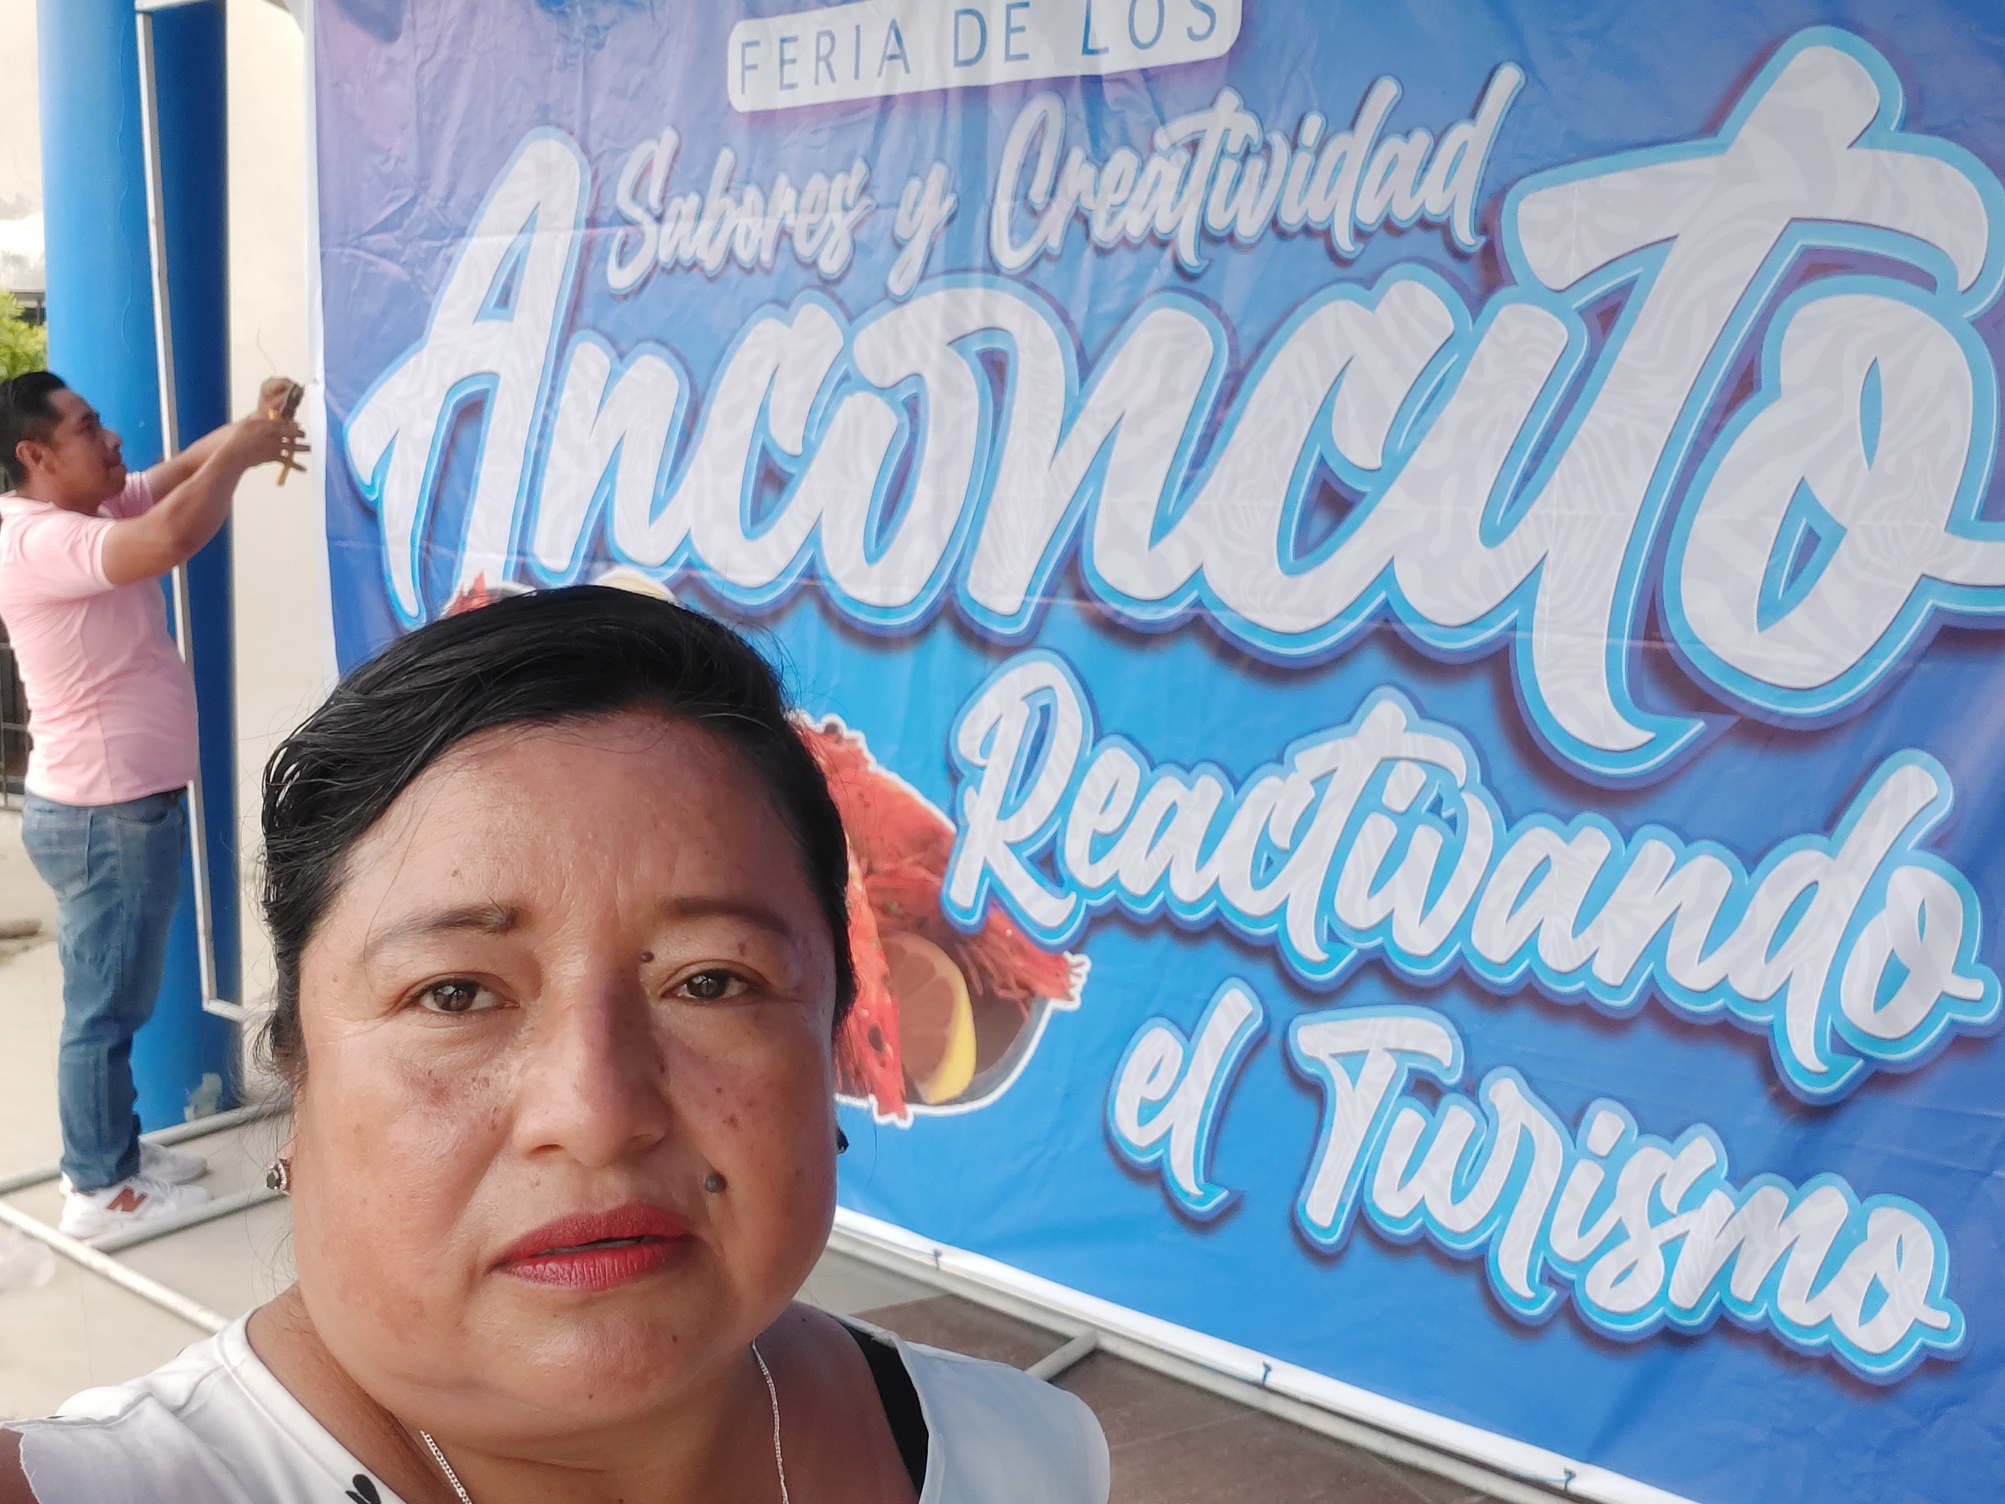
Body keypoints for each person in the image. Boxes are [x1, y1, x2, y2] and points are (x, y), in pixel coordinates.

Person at [0, 586, 1110, 1503]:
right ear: (299, 1066)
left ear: (830, 1038)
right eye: (455, 993)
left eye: (711, 981)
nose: (594, 1111)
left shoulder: (1024, 1457)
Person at [0, 371, 304, 1238]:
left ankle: (116, 1149)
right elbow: (170, 535)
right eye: (88, 427)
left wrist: (248, 428)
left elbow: (170, 478)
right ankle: (99, 1188)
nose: (112, 440)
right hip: (104, 816)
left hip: (113, 810)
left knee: (113, 999)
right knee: (104, 1011)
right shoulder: (36, 539)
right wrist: (242, 452)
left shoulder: (86, 510)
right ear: (35, 455)